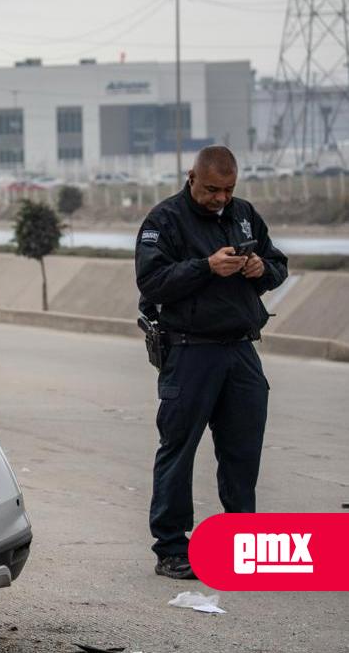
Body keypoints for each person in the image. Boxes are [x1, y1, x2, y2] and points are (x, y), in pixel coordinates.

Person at [135, 145, 288, 580]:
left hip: (240, 350)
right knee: (178, 451)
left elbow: (279, 265)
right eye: (212, 190)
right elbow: (152, 281)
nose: (220, 198)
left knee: (243, 452)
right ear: (191, 178)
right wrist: (206, 267)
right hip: (189, 351)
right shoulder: (164, 220)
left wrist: (262, 269)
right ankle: (171, 548)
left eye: (228, 190)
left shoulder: (244, 215)